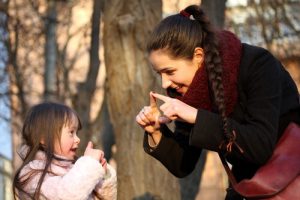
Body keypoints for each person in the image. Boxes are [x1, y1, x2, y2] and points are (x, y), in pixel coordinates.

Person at [135, 4, 300, 200]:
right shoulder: (187, 92)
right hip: (249, 188)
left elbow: (260, 146)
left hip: (291, 180)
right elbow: (183, 164)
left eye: (169, 72)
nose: (164, 82)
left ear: (198, 56)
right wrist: (156, 132)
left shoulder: (258, 65)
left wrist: (195, 116)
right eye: (159, 73)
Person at [13, 102, 117, 200]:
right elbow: (66, 195)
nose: (78, 139)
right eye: (71, 132)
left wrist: (102, 176)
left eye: (77, 133)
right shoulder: (33, 174)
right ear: (44, 138)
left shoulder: (75, 170)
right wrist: (89, 164)